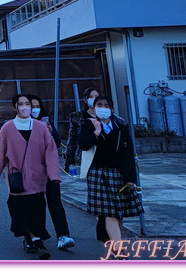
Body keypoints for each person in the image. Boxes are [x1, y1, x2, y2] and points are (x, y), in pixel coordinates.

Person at [0, 94, 62, 259]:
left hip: (38, 178)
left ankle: (32, 238)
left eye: (27, 103)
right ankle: (36, 240)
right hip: (17, 179)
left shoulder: (40, 127)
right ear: (15, 108)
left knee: (37, 211)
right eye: (20, 104)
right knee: (20, 210)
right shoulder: (7, 128)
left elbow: (50, 151)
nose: (25, 107)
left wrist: (53, 174)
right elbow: (0, 154)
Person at [78, 95, 143, 258]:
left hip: (117, 174)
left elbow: (127, 155)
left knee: (117, 211)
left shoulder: (121, 128)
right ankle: (118, 248)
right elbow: (84, 145)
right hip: (98, 174)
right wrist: (97, 132)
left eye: (106, 105)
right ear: (93, 109)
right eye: (99, 105)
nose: (102, 108)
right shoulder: (88, 125)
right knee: (109, 212)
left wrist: (130, 178)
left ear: (112, 110)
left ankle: (115, 242)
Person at [28, 95, 76, 251]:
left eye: (37, 106)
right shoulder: (20, 124)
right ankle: (33, 237)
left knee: (55, 202)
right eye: (31, 106)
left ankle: (63, 235)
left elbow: (56, 144)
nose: (35, 109)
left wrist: (50, 133)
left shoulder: (46, 123)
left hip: (49, 170)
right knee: (35, 204)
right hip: (31, 171)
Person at [65, 87, 100, 174]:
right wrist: (69, 160)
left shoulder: (105, 115)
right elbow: (72, 139)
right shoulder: (78, 117)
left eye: (96, 96)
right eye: (91, 97)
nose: (94, 99)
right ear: (85, 100)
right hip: (83, 157)